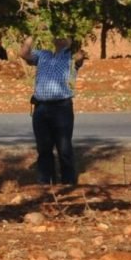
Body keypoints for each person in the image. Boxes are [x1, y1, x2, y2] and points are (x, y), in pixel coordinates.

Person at [20, 35, 85, 186]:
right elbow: (24, 54)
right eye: (57, 34)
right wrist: (32, 35)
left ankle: (68, 182)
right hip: (41, 107)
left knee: (64, 147)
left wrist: (75, 42)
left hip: (61, 107)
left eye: (64, 35)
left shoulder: (71, 56)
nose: (60, 37)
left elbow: (80, 57)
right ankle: (46, 182)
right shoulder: (43, 55)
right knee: (43, 148)